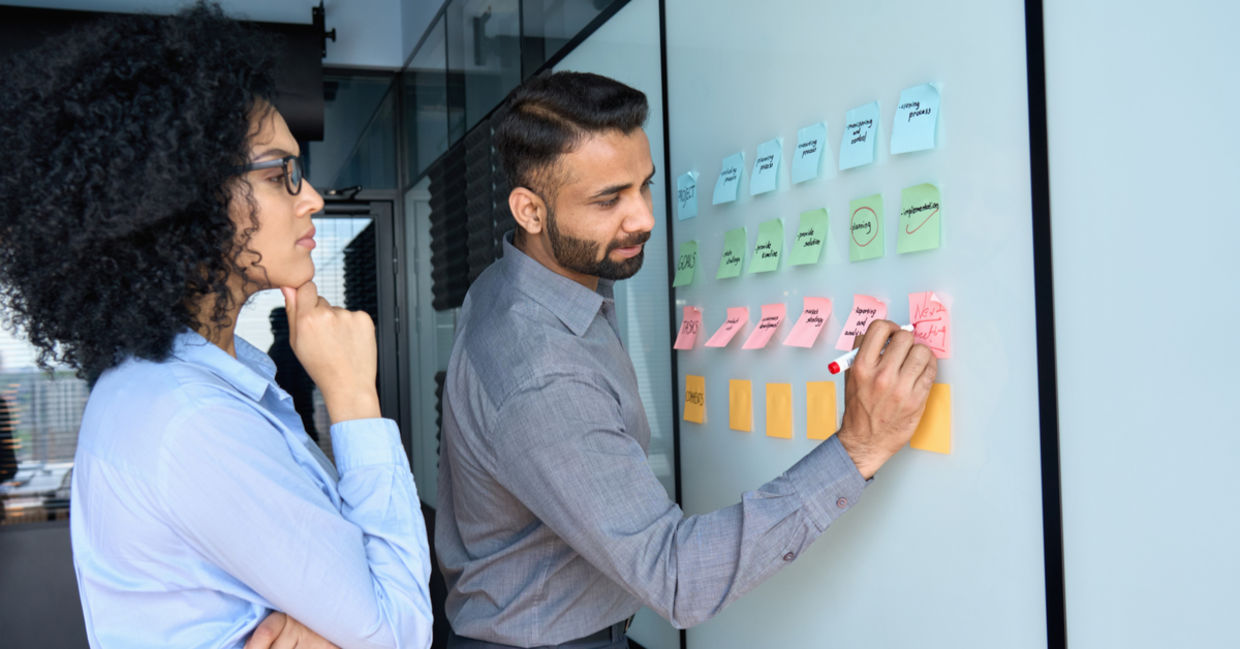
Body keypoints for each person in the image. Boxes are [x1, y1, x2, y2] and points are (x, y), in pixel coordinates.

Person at [435, 71, 938, 649]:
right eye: (609, 199)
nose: (644, 218)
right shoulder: (541, 372)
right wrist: (859, 448)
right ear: (529, 211)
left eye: (643, 186)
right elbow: (676, 580)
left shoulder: (519, 281)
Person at [0, 5, 431, 648]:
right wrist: (353, 397)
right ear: (188, 198)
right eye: (282, 172)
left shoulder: (196, 385)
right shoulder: (189, 421)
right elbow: (400, 632)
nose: (311, 197)